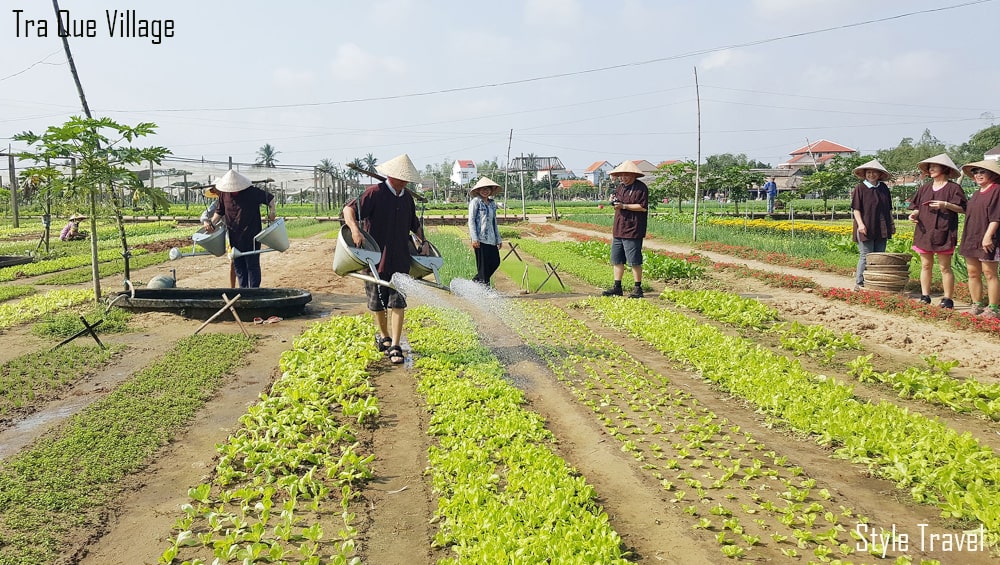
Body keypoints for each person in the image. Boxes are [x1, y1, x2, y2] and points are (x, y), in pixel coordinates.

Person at [342, 153, 427, 365]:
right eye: (402, 178)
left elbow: (414, 224)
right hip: (374, 258)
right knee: (378, 303)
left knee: (398, 302)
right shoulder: (375, 193)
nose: (405, 182)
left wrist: (423, 241)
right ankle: (384, 337)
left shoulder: (407, 198)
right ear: (391, 176)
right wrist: (355, 230)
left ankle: (396, 344)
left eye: (407, 179)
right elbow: (348, 210)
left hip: (400, 259)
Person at [907, 154, 966, 308]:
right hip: (924, 231)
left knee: (944, 267)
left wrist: (945, 204)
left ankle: (947, 299)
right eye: (930, 167)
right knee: (926, 265)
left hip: (944, 231)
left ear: (944, 169)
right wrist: (913, 214)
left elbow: (963, 208)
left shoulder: (954, 188)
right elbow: (918, 208)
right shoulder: (925, 188)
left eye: (934, 166)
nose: (931, 169)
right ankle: (925, 296)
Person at [206, 170, 276, 289]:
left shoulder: (252, 191)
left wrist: (272, 211)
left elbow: (270, 199)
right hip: (234, 235)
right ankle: (243, 291)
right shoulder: (224, 194)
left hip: (252, 235)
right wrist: (211, 223)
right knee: (239, 265)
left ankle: (254, 292)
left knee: (252, 265)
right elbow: (219, 212)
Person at [958, 160, 1000, 318]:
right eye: (975, 172)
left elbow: (996, 216)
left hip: (988, 237)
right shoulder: (976, 194)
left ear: (992, 174)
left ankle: (993, 308)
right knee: (973, 272)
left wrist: (988, 236)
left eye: (983, 172)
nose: (978, 175)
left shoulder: (997, 190)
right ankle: (977, 304)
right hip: (971, 237)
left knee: (989, 273)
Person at [601, 160, 649, 298]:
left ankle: (638, 288)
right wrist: (614, 203)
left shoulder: (641, 188)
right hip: (619, 227)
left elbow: (642, 207)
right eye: (621, 175)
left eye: (626, 175)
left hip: (633, 229)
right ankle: (617, 287)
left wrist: (624, 206)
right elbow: (618, 203)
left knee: (634, 260)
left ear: (633, 175)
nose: (623, 177)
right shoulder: (620, 188)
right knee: (617, 259)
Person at [851, 159, 895, 291]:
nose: (871, 175)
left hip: (882, 226)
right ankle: (859, 283)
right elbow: (856, 209)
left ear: (880, 174)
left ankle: (874, 282)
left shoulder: (883, 188)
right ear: (865, 174)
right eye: (868, 172)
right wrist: (861, 225)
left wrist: (891, 224)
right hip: (866, 226)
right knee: (866, 256)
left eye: (874, 172)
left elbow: (888, 209)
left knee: (879, 256)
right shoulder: (860, 188)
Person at [467, 176, 503, 286]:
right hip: (480, 239)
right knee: (483, 266)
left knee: (495, 262)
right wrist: (474, 238)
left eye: (487, 189)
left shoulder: (492, 204)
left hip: (491, 239)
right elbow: (471, 221)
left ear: (491, 190)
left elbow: (494, 222)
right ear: (478, 190)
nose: (485, 191)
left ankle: (474, 283)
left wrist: (498, 239)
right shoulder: (475, 202)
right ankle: (485, 289)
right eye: (482, 189)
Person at [200, 186, 237, 288]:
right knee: (233, 260)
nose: (217, 193)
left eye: (217, 190)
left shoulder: (235, 199)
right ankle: (232, 288)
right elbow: (205, 214)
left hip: (243, 231)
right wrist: (206, 221)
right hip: (230, 233)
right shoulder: (217, 203)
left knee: (245, 260)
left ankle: (248, 288)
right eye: (215, 191)